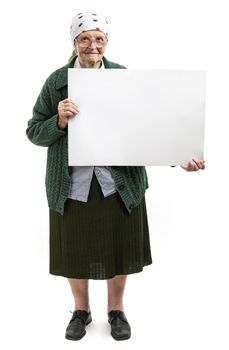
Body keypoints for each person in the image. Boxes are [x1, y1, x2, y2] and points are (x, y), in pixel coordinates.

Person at [26, 11, 205, 341]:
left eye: (99, 39)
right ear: (74, 42)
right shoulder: (56, 81)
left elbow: (147, 128)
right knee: (73, 250)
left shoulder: (123, 77)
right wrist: (59, 122)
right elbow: (34, 132)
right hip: (72, 184)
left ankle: (116, 310)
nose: (92, 45)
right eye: (84, 38)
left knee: (119, 246)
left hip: (118, 183)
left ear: (106, 43)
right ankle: (81, 311)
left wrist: (179, 155)